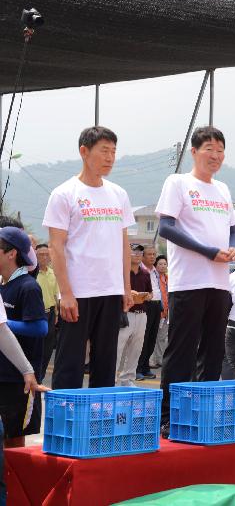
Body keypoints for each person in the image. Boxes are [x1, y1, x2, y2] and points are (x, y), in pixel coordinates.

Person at [156, 126, 235, 436]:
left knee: (213, 351)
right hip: (188, 282)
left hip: (220, 283)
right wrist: (208, 251)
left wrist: (234, 248)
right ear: (194, 151)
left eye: (220, 150)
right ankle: (168, 416)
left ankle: (202, 413)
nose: (215, 155)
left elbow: (233, 229)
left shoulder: (223, 189)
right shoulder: (178, 182)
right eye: (209, 149)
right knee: (181, 351)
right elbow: (166, 227)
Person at [43, 126, 134, 389]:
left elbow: (123, 243)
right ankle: (64, 423)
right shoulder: (64, 193)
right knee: (70, 362)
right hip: (79, 292)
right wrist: (66, 293)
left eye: (114, 152)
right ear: (84, 151)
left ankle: (99, 423)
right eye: (104, 151)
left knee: (105, 363)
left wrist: (126, 287)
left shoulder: (119, 194)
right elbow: (56, 246)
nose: (110, 158)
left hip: (110, 289)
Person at [0, 226, 48, 449]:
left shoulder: (28, 287)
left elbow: (40, 328)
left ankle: (12, 483)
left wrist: (4, 324)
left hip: (17, 378)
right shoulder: (3, 285)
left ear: (11, 253)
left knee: (13, 438)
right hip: (2, 372)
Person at [115, 245, 152, 386]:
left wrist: (147, 296)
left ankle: (128, 379)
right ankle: (111, 379)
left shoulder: (145, 273)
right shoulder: (121, 272)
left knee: (136, 349)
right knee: (117, 348)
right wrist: (131, 294)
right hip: (125, 314)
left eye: (139, 252)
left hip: (142, 314)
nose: (137, 255)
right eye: (134, 252)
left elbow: (150, 292)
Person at [34, 243, 59, 381]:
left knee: (48, 349)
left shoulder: (53, 273)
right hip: (35, 314)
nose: (44, 257)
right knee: (35, 347)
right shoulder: (32, 274)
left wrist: (56, 313)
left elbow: (56, 295)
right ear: (35, 256)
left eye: (46, 254)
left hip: (50, 314)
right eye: (40, 254)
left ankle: (40, 378)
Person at [136, 246, 161, 381]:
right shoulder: (140, 270)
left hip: (157, 305)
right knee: (143, 339)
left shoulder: (156, 271)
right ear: (143, 256)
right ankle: (138, 368)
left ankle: (146, 367)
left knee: (152, 338)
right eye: (149, 254)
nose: (152, 257)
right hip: (146, 305)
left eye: (154, 254)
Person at [220, 266, 235, 380]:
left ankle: (228, 394)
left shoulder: (231, 278)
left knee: (230, 361)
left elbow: (225, 304)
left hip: (234, 323)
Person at [150, 255, 169, 369]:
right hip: (157, 311)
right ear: (156, 266)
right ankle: (150, 360)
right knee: (152, 336)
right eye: (160, 264)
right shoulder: (154, 277)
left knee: (162, 338)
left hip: (166, 312)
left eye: (164, 264)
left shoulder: (167, 278)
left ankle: (159, 359)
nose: (162, 266)